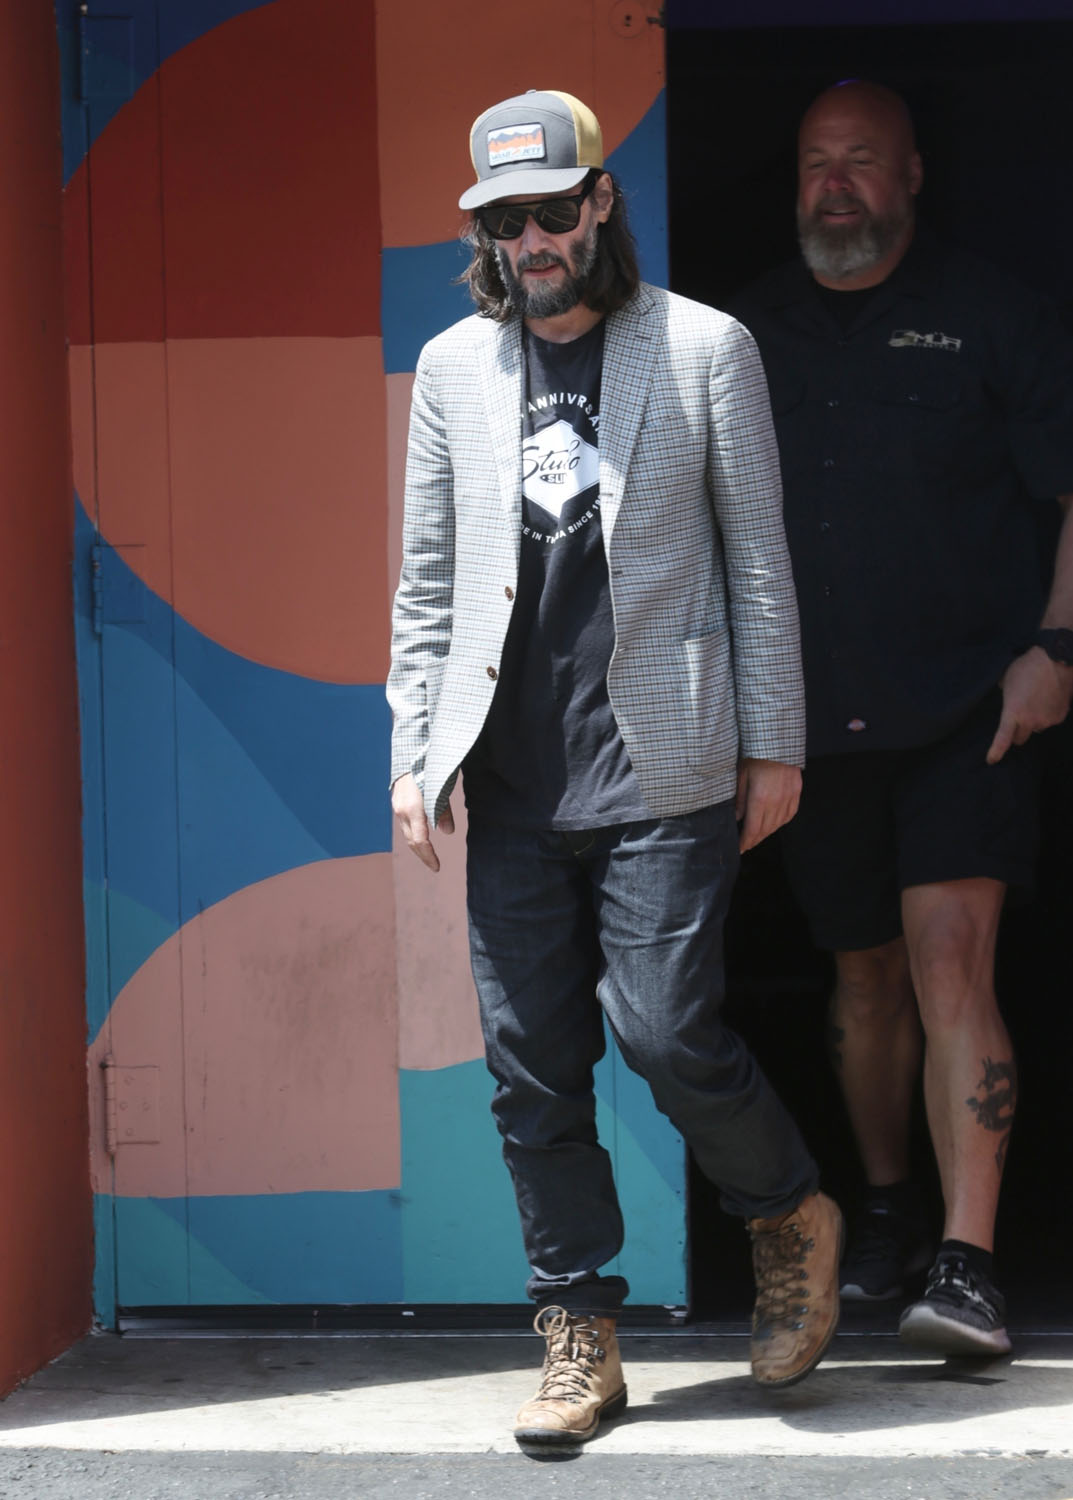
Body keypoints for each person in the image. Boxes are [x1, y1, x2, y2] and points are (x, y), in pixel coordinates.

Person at [387, 88, 842, 1445]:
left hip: (665, 759)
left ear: (598, 203)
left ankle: (787, 1212)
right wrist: (412, 749)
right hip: (511, 775)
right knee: (530, 1066)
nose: (530, 241)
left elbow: (757, 560)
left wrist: (774, 742)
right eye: (502, 221)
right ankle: (577, 1330)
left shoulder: (702, 348)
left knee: (660, 1031)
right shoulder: (451, 369)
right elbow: (426, 581)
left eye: (550, 210)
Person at [730, 80, 1073, 1357]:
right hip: (808, 723)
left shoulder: (994, 314)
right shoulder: (740, 333)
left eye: (861, 161)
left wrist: (1055, 650)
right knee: (862, 977)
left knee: (948, 964)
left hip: (963, 711)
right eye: (816, 161)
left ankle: (966, 1262)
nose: (835, 184)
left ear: (912, 175)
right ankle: (884, 1209)